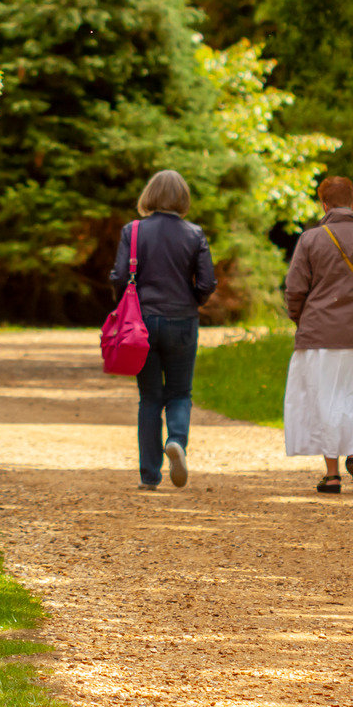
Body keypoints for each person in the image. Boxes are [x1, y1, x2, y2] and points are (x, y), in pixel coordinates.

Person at [282, 176, 353, 493]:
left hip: (318, 332)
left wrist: (301, 320)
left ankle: (332, 475)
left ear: (324, 204)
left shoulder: (310, 239)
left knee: (323, 399)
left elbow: (294, 290)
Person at [109, 170, 216, 491]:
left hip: (141, 322)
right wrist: (193, 300)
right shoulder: (194, 234)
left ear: (149, 196)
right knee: (180, 392)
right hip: (183, 320)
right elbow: (208, 282)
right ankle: (177, 442)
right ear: (183, 199)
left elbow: (118, 276)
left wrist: (124, 305)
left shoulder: (134, 230)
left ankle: (149, 476)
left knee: (150, 398)